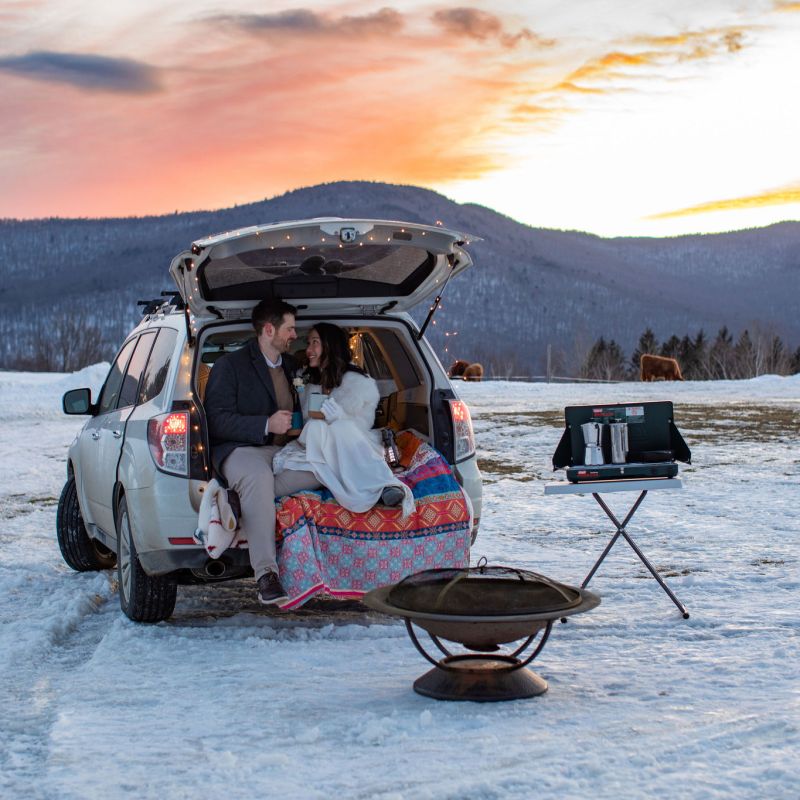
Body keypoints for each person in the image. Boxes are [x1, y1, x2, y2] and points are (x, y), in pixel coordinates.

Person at [203, 299, 322, 606]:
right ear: (269, 330)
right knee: (257, 477)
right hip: (242, 450)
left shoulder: (294, 366)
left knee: (326, 467)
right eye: (290, 328)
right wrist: (265, 424)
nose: (294, 334)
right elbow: (215, 420)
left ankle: (244, 498)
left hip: (287, 452)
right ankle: (266, 575)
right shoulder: (230, 367)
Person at [273, 323, 414, 517]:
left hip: (353, 445)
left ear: (330, 346)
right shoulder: (306, 381)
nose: (308, 350)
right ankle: (378, 485)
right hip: (313, 443)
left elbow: (360, 428)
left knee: (338, 427)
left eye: (315, 343)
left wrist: (340, 418)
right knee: (315, 427)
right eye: (308, 343)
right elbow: (306, 423)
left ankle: (385, 485)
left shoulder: (358, 384)